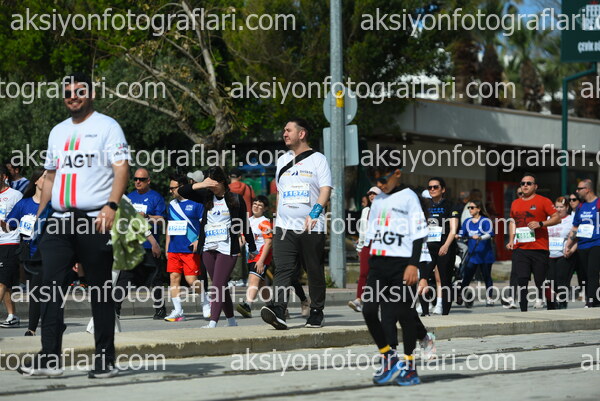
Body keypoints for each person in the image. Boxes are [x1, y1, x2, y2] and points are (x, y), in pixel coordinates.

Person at [18, 72, 130, 378]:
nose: (73, 97)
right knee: (48, 287)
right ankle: (49, 358)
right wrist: (40, 217)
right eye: (68, 92)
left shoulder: (108, 126)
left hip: (95, 219)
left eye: (79, 91)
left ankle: (105, 359)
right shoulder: (58, 131)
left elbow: (122, 169)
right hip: (59, 221)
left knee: (100, 290)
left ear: (90, 94)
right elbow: (51, 176)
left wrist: (111, 206)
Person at [362, 152, 428, 386]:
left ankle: (410, 366)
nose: (379, 185)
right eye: (376, 181)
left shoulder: (409, 197)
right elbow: (372, 235)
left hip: (401, 264)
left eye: (383, 179)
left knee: (404, 314)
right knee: (369, 310)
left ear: (397, 173)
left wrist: (413, 264)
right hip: (379, 264)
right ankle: (388, 356)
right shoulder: (378, 200)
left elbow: (418, 234)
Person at [260, 118, 332, 330]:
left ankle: (316, 311)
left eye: (288, 130)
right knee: (283, 268)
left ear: (302, 134)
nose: (284, 134)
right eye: (284, 130)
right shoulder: (282, 160)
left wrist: (315, 213)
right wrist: (276, 220)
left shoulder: (318, 159)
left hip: (311, 226)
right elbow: (280, 193)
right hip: (284, 227)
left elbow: (326, 189)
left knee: (314, 269)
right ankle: (279, 310)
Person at [178, 167, 257, 328]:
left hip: (228, 248)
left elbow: (245, 224)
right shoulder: (206, 196)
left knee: (217, 286)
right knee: (220, 285)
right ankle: (232, 321)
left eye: (212, 182)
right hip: (208, 247)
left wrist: (252, 247)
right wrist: (202, 185)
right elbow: (182, 191)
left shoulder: (235, 198)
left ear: (221, 181)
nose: (209, 185)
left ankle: (213, 321)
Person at [115, 167, 165, 319]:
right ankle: (115, 310)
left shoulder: (156, 197)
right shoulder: (129, 197)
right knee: (124, 279)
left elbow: (162, 220)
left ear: (148, 180)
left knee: (156, 279)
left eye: (141, 179)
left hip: (150, 246)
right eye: (135, 179)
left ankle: (160, 309)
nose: (138, 182)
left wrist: (147, 216)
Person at [506, 173, 560, 312]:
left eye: (528, 183)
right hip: (520, 248)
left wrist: (541, 223)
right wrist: (511, 240)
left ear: (535, 186)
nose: (525, 185)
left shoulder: (543, 201)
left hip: (539, 248)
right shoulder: (515, 203)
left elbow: (557, 218)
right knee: (522, 279)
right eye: (522, 183)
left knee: (540, 280)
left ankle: (551, 303)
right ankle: (523, 310)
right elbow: (512, 222)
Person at [4, 169, 46, 334]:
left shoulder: (54, 205)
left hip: (51, 253)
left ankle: (38, 327)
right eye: (45, 177)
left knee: (47, 291)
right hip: (30, 254)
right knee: (37, 292)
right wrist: (4, 223)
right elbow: (10, 226)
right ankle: (38, 327)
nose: (49, 181)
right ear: (36, 181)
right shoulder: (24, 204)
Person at [164, 175, 204, 322]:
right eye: (170, 188)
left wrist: (198, 240)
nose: (170, 191)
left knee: (191, 280)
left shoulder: (197, 203)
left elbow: (204, 225)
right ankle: (178, 311)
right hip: (174, 248)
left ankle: (206, 303)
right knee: (173, 278)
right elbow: (170, 226)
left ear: (181, 187)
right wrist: (167, 246)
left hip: (189, 248)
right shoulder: (172, 204)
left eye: (173, 188)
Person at [424, 177, 460, 315]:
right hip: (428, 246)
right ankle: (424, 309)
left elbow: (453, 229)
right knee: (424, 277)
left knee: (444, 280)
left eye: (435, 187)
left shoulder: (450, 205)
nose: (432, 189)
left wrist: (446, 245)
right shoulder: (425, 205)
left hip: (444, 246)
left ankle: (444, 310)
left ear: (443, 189)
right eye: (430, 187)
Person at [565, 179, 600, 308]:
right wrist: (568, 245)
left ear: (587, 189)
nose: (577, 191)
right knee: (585, 273)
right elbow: (575, 227)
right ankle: (596, 300)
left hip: (596, 243)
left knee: (592, 272)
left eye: (579, 189)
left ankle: (590, 300)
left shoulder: (598, 203)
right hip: (582, 245)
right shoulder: (580, 206)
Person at [237, 196, 273, 318]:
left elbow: (268, 243)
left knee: (253, 279)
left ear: (265, 209)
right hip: (251, 256)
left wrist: (261, 261)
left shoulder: (265, 222)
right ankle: (273, 307)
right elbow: (243, 238)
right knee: (261, 284)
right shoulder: (248, 221)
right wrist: (237, 249)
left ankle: (247, 305)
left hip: (261, 256)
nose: (256, 207)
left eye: (260, 205)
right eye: (255, 204)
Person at [457, 199, 495, 306]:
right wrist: (458, 236)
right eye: (469, 207)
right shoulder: (467, 222)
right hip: (472, 255)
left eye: (472, 207)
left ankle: (489, 297)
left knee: (486, 276)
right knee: (467, 276)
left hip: (485, 255)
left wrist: (480, 237)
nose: (470, 209)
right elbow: (462, 233)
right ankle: (460, 295)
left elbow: (490, 234)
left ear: (478, 209)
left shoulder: (485, 221)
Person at [349, 186, 381, 312]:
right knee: (363, 273)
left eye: (374, 194)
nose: (372, 196)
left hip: (381, 245)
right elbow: (362, 230)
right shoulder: (366, 210)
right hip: (367, 244)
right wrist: (360, 247)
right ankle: (358, 300)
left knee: (378, 274)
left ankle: (379, 300)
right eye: (370, 194)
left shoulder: (385, 210)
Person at [0, 165, 23, 328]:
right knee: (5, 283)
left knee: (2, 281)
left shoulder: (15, 195)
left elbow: (25, 217)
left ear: (3, 176)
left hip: (9, 242)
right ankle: (12, 315)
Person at [187, 169, 211, 318]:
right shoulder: (201, 196)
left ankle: (208, 301)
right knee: (202, 270)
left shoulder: (201, 198)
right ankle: (207, 298)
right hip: (202, 239)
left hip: (205, 239)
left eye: (191, 181)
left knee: (205, 270)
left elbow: (204, 222)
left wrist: (198, 239)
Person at [547, 196, 576, 309]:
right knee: (550, 281)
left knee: (562, 280)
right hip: (549, 254)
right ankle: (552, 303)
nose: (558, 209)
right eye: (556, 207)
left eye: (561, 207)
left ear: (567, 207)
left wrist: (571, 250)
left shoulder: (571, 219)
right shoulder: (549, 218)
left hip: (564, 255)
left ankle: (563, 304)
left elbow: (577, 237)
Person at [567, 192, 585, 300]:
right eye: (570, 200)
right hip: (569, 245)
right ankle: (564, 292)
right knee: (567, 271)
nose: (571, 202)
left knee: (581, 270)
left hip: (580, 244)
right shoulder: (568, 214)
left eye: (574, 200)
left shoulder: (583, 212)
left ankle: (583, 291)